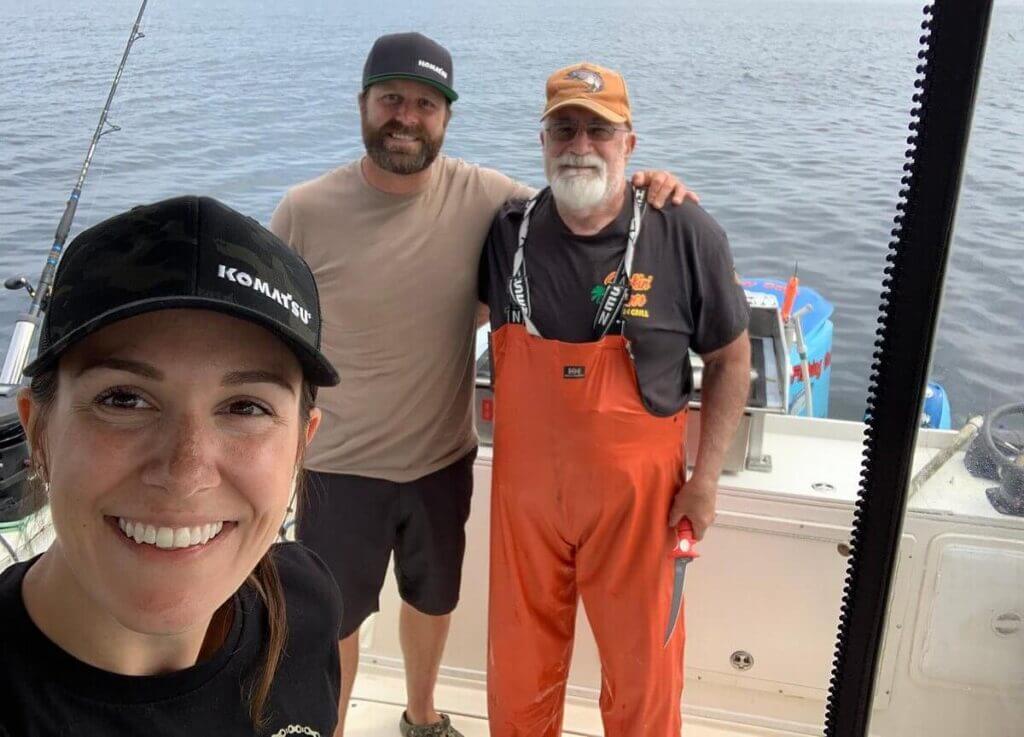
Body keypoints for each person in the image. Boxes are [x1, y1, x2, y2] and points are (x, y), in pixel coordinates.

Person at [269, 32, 694, 737]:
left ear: (446, 117)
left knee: (434, 601)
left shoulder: (489, 200)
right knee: (336, 617)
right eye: (392, 100)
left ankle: (423, 713)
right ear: (364, 105)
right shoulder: (304, 210)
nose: (407, 116)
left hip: (442, 458)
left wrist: (650, 184)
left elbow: (585, 199)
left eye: (426, 104)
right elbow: (272, 340)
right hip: (337, 464)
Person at [0, 196, 344, 736]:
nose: (185, 474)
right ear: (38, 432)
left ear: (302, 445)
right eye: (124, 399)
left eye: (246, 407)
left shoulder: (305, 605)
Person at [477, 62, 753, 737]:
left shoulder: (683, 230)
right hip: (526, 502)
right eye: (564, 128)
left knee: (644, 678)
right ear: (541, 140)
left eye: (599, 131)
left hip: (641, 506)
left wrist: (706, 480)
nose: (580, 145)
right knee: (517, 673)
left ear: (630, 143)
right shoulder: (507, 228)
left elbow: (730, 358)